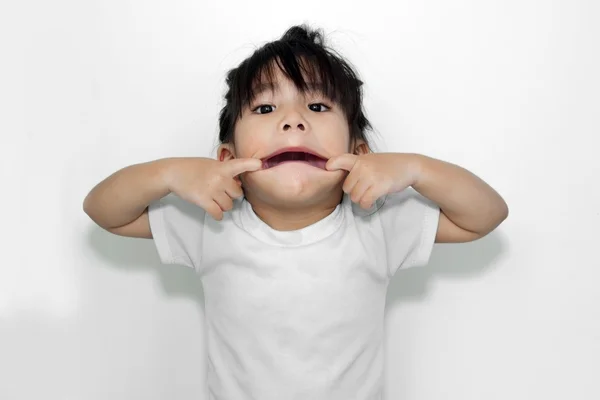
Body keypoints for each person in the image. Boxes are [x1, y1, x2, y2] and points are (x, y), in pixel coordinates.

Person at [83, 24, 508, 400]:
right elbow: (104, 210)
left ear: (359, 154)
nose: (293, 121)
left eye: (317, 107)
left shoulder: (375, 223)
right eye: (265, 109)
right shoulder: (210, 218)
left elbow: (486, 215)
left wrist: (416, 168)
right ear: (227, 160)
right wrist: (171, 174)